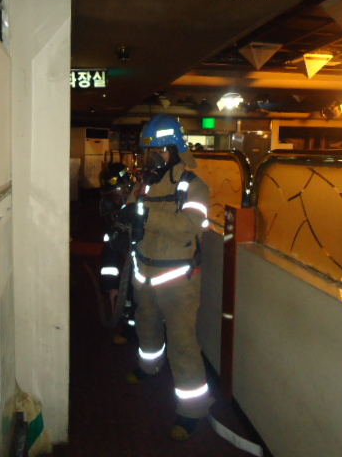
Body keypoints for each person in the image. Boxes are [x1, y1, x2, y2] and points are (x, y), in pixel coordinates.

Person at [122, 114, 213, 441]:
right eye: (147, 153)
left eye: (157, 152)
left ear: (174, 150)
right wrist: (122, 215)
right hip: (144, 272)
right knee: (145, 324)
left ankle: (192, 410)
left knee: (182, 343)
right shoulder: (144, 184)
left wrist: (145, 216)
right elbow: (131, 212)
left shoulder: (194, 186)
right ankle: (149, 367)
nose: (151, 159)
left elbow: (188, 227)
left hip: (177, 280)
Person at [98, 162, 138, 344]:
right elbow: (110, 253)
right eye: (112, 195)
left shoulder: (142, 204)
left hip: (145, 266)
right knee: (127, 302)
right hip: (128, 267)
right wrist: (111, 286)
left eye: (120, 193)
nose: (117, 200)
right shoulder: (114, 216)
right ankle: (129, 331)